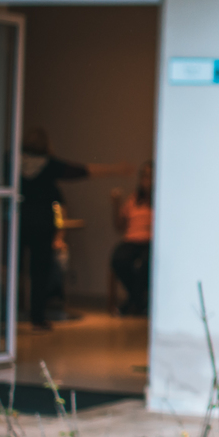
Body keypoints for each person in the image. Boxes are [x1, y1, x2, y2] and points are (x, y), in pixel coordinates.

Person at [19, 127, 130, 330]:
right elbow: (82, 171)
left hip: (19, 222)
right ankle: (37, 317)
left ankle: (9, 314)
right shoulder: (49, 165)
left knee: (15, 268)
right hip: (43, 223)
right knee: (39, 271)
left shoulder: (13, 164)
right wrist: (115, 169)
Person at [111, 161, 154, 316]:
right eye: (143, 176)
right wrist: (115, 204)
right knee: (118, 259)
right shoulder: (133, 199)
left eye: (149, 176)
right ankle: (140, 302)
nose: (146, 180)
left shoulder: (159, 201)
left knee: (146, 264)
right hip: (131, 240)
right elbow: (119, 226)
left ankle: (130, 303)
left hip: (150, 242)